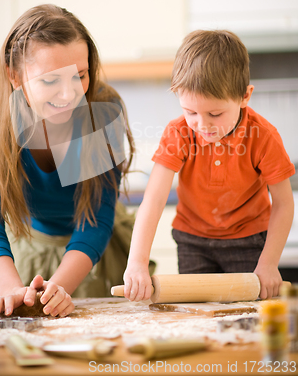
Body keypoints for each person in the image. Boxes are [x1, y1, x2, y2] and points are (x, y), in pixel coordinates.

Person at [0, 4, 134, 317]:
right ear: (14, 76)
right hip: (24, 248)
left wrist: (61, 286)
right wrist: (11, 289)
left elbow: (96, 217)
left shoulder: (102, 108)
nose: (69, 94)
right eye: (49, 81)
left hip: (90, 255)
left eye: (79, 76)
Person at [123, 30, 295, 302]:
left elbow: (284, 203)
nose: (202, 125)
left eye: (215, 114)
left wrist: (269, 263)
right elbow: (154, 200)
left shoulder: (263, 136)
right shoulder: (178, 133)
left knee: (248, 315)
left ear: (244, 97)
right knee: (196, 313)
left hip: (249, 241)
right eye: (190, 112)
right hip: (193, 240)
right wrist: (137, 262)